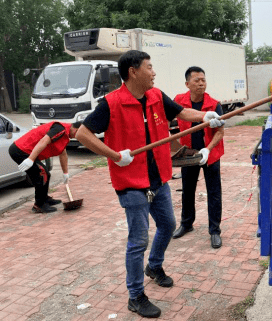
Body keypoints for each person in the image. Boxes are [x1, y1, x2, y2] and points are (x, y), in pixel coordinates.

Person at [75, 50, 224, 319]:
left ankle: (154, 266)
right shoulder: (111, 103)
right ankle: (135, 295)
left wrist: (205, 117)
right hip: (131, 183)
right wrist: (114, 156)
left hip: (158, 178)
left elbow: (182, 112)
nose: (154, 72)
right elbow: (83, 134)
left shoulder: (155, 96)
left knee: (167, 225)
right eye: (149, 67)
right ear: (133, 72)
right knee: (138, 240)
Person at [172, 66, 224, 249]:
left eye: (203, 80)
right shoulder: (179, 102)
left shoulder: (214, 104)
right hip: (189, 154)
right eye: (197, 80)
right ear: (187, 84)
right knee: (188, 190)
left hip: (210, 154)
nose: (201, 83)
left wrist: (208, 150)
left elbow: (220, 132)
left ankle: (215, 230)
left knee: (214, 192)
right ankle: (186, 224)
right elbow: (168, 121)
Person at [8, 121, 81, 213]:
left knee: (45, 174)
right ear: (76, 130)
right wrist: (30, 159)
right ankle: (39, 205)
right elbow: (44, 141)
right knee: (42, 174)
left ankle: (45, 198)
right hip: (21, 150)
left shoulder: (65, 134)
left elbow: (63, 154)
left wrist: (65, 173)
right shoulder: (60, 129)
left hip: (28, 151)